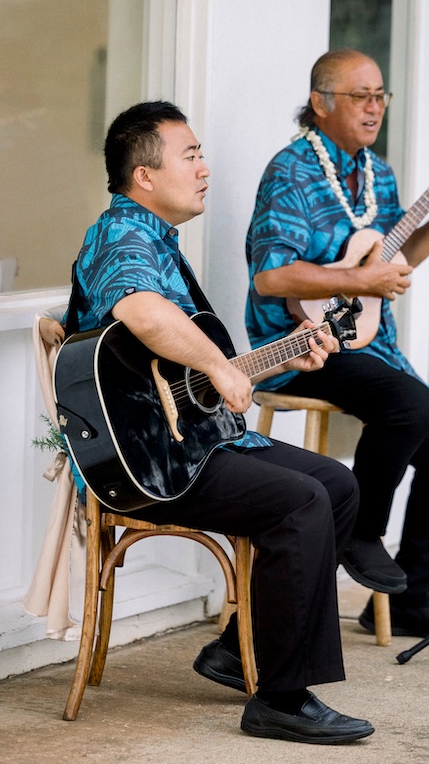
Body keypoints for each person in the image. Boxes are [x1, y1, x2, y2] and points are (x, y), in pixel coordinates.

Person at [66, 100, 375, 745]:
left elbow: (191, 383)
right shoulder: (122, 235)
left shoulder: (159, 242)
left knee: (338, 485)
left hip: (189, 443)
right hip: (148, 462)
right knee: (301, 502)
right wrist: (220, 365)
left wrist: (284, 354)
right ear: (145, 175)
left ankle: (239, 650)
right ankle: (280, 699)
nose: (205, 168)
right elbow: (142, 312)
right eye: (191, 155)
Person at [245, 48, 429, 641]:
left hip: (372, 344)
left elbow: (392, 263)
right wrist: (358, 278)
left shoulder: (379, 174)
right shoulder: (292, 173)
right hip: (301, 345)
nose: (375, 108)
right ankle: (360, 529)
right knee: (409, 404)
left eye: (381, 96)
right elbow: (271, 278)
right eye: (361, 96)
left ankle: (411, 597)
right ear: (321, 102)